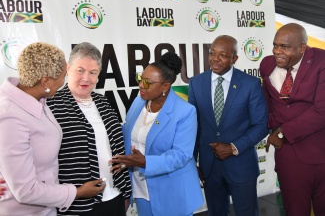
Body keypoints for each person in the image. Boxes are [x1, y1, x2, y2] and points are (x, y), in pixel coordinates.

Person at [0, 42, 105, 216]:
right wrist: (77, 192)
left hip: (47, 207)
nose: (64, 81)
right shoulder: (10, 114)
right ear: (46, 81)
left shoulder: (37, 98)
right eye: (64, 75)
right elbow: (26, 190)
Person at [110, 52, 204, 216]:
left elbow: (181, 155)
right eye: (141, 78)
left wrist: (146, 161)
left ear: (165, 86)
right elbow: (128, 130)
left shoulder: (185, 111)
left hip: (172, 192)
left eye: (147, 82)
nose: (141, 85)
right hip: (141, 189)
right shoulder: (140, 101)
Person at [47, 42, 132, 215]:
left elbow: (116, 148)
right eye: (80, 70)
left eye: (92, 73)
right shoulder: (51, 105)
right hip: (77, 203)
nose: (86, 78)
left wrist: (124, 190)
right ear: (68, 69)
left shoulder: (104, 103)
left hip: (115, 196)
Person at [188, 35, 268, 216]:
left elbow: (261, 125)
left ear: (234, 59)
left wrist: (233, 147)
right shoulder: (196, 83)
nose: (215, 59)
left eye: (222, 55)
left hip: (241, 165)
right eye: (212, 53)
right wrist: (192, 161)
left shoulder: (250, 84)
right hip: (209, 167)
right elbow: (193, 127)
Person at [259, 23, 325, 216]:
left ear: (302, 48)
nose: (277, 51)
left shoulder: (322, 62)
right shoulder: (267, 64)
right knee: (294, 211)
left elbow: (322, 110)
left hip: (320, 152)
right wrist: (270, 126)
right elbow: (267, 102)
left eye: (284, 47)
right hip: (288, 155)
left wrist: (282, 132)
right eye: (275, 45)